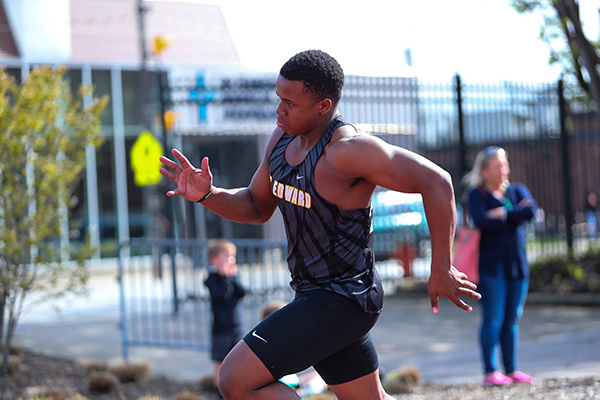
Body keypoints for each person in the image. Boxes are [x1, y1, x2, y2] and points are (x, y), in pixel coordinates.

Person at [160, 49, 480, 400]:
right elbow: (255, 205)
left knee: (235, 380)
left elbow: (438, 182)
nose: (279, 110)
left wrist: (441, 267)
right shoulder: (281, 141)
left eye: (290, 103)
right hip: (313, 293)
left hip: (344, 298)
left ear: (323, 106)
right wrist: (209, 195)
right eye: (279, 99)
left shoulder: (349, 152)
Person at [463, 146, 537, 386]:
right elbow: (481, 220)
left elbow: (530, 211)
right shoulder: (477, 194)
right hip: (491, 268)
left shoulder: (516, 190)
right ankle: (489, 372)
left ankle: (512, 370)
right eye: (497, 166)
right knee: (493, 318)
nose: (503, 170)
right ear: (484, 171)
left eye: (504, 165)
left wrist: (502, 214)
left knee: (512, 318)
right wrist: (512, 215)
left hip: (516, 265)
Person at [204, 239, 246, 399]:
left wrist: (233, 277)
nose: (230, 260)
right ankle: (220, 393)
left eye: (232, 256)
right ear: (214, 259)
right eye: (226, 256)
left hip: (236, 326)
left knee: (238, 360)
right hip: (221, 329)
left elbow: (242, 292)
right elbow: (222, 296)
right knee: (220, 361)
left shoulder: (235, 276)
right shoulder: (212, 279)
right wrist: (226, 278)